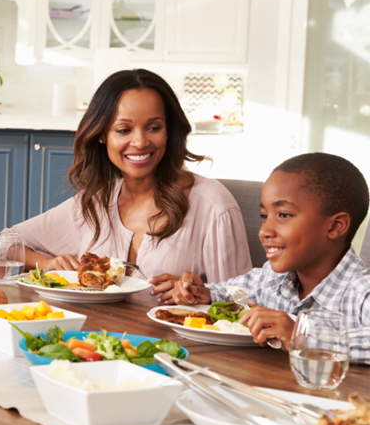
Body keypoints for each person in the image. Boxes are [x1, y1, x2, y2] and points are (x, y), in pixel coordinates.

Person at [3, 69, 251, 305]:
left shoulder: (213, 206)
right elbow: (4, 247)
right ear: (101, 134)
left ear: (169, 132)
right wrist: (50, 263)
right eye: (123, 130)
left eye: (154, 127)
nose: (140, 141)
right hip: (94, 343)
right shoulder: (95, 202)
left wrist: (200, 293)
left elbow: (244, 301)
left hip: (182, 349)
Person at [156, 153, 370, 363]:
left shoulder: (362, 292)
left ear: (335, 226)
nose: (264, 231)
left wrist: (302, 335)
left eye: (284, 215)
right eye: (264, 216)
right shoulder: (272, 278)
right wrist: (203, 293)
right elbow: (231, 293)